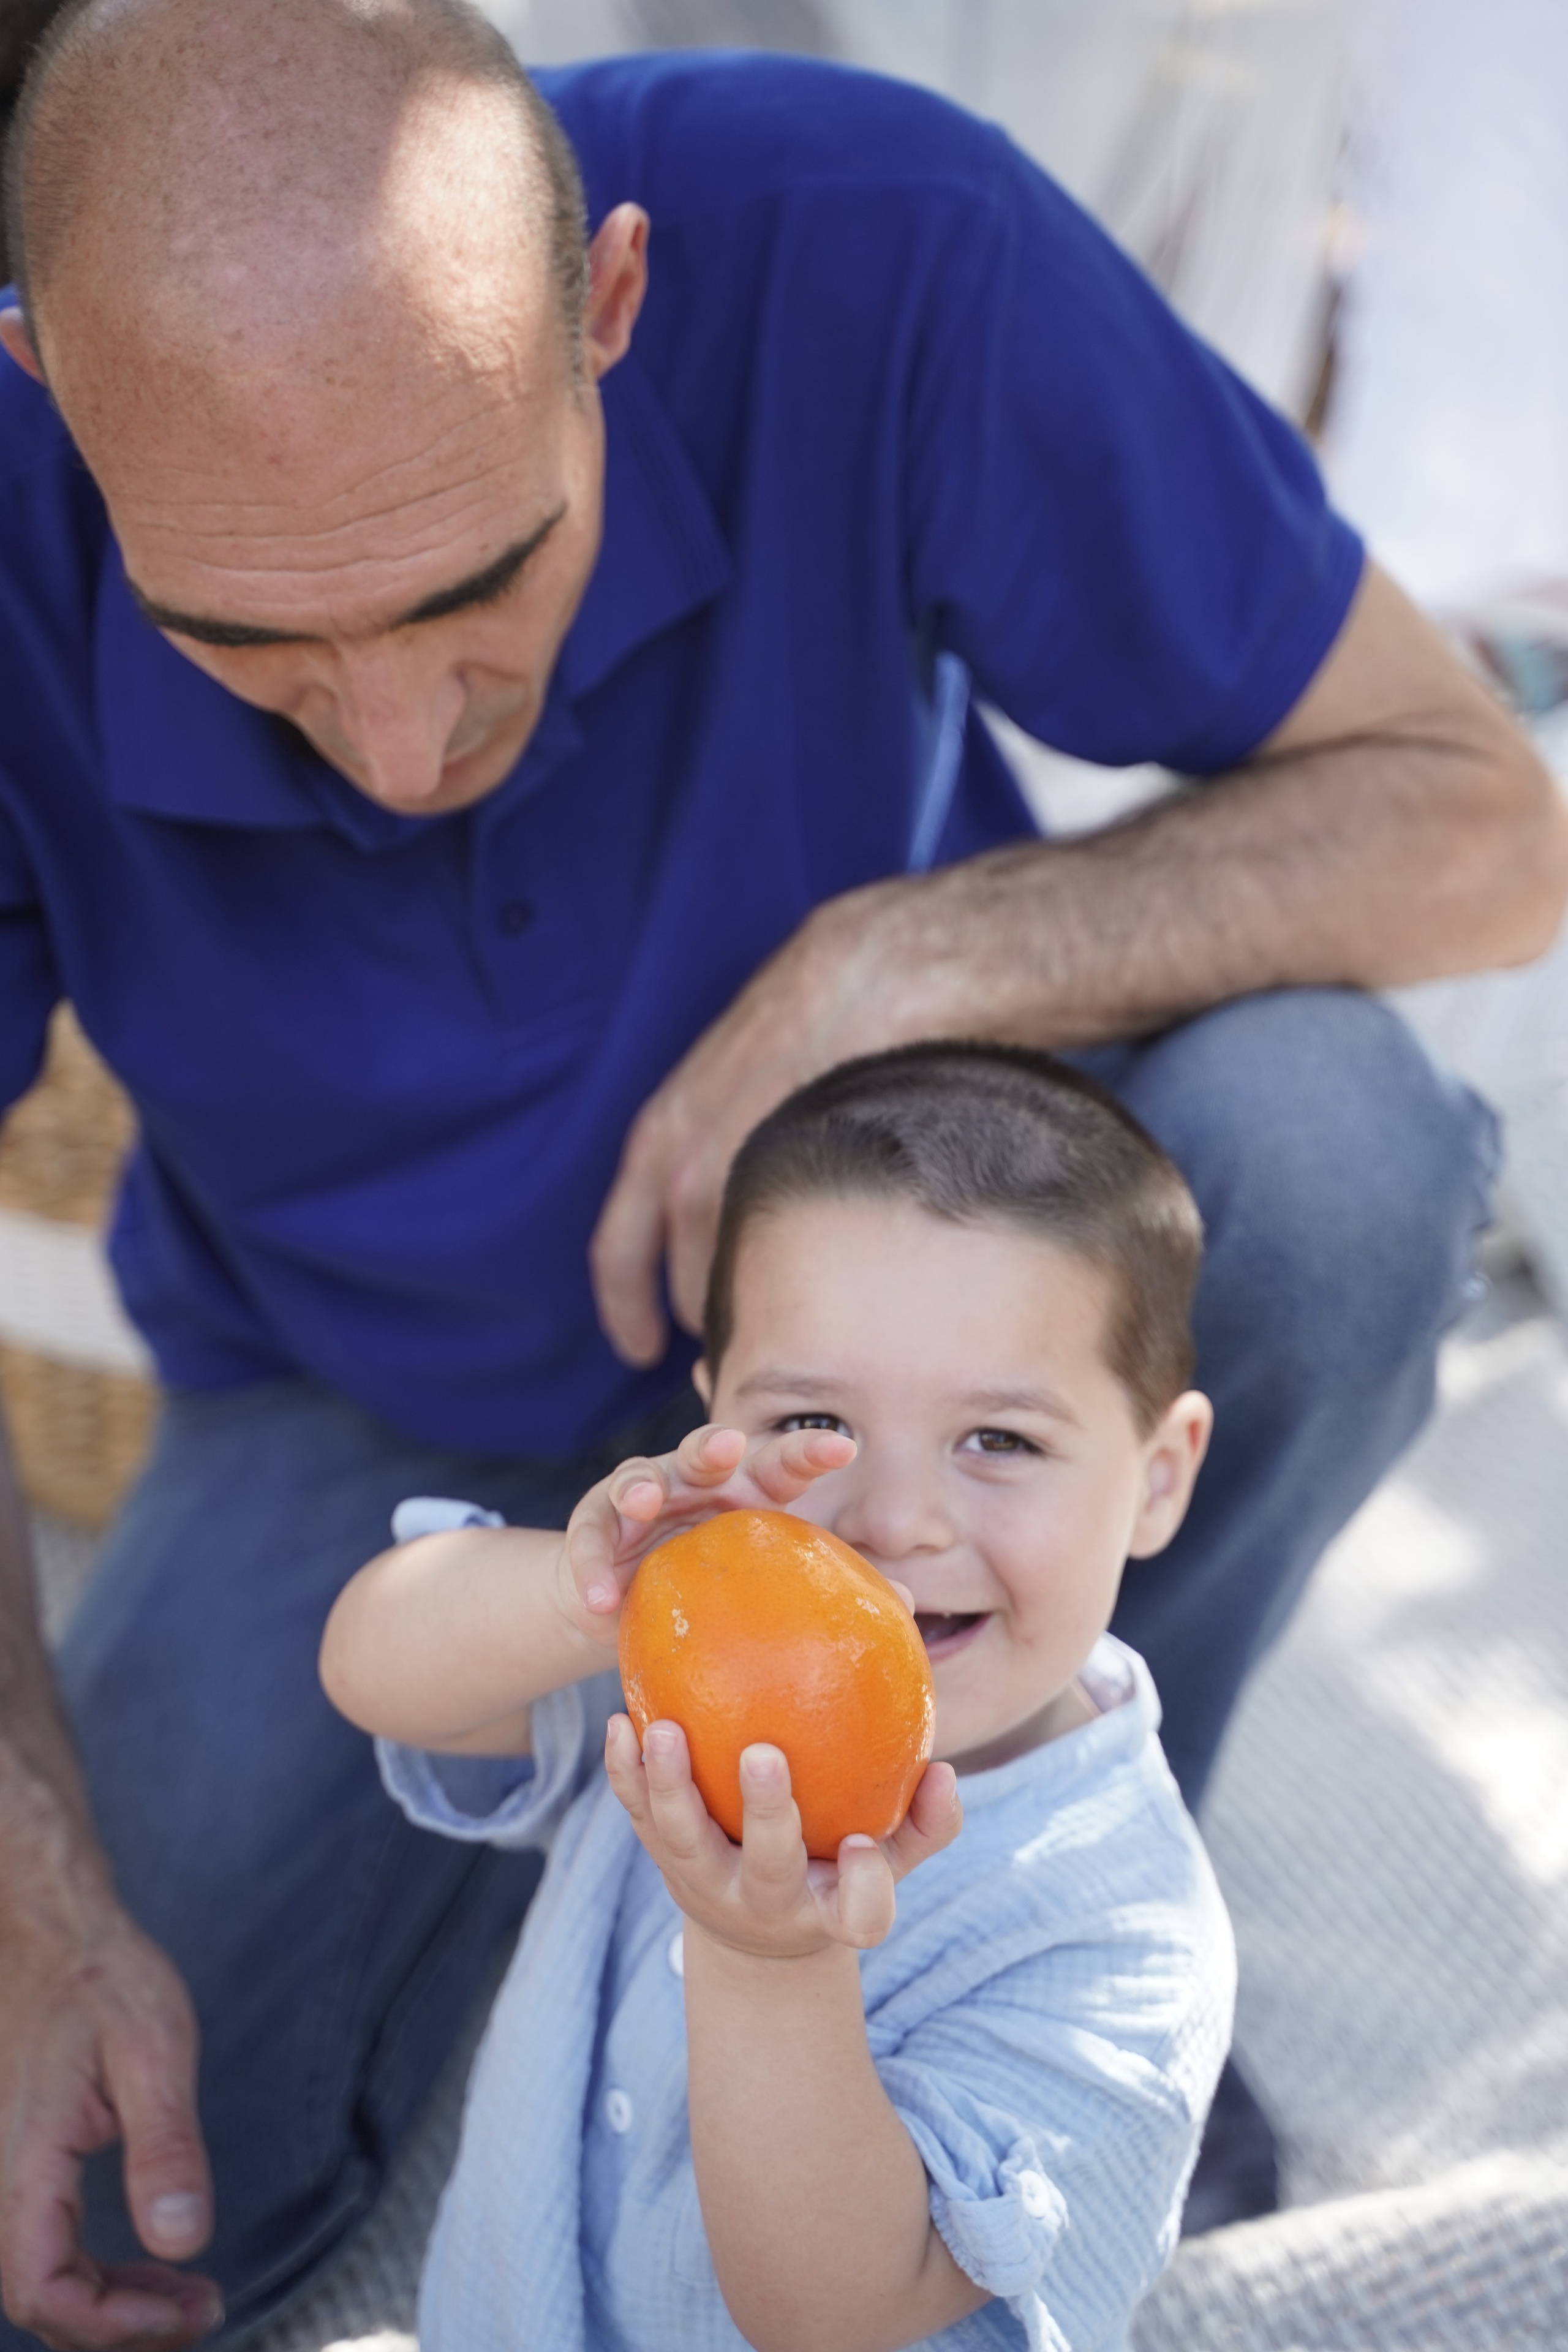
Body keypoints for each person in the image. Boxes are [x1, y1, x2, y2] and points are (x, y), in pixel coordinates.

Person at [0, 0, 1564, 2344]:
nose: (406, 747)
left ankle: (1051, 1867)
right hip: (350, 1393)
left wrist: (897, 964)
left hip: (908, 1319)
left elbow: (1479, 822)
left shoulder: (876, 239)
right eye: (253, 641)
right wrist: (33, 1887)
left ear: (612, 307)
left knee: (1333, 1152)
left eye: (470, 585)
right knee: (96, 2222)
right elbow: (386, 1644)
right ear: (39, 381)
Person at [319, 1043, 1236, 2352]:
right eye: (814, 1418)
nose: (893, 1521)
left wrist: (771, 1962)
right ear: (714, 1416)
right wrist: (595, 1593)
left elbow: (843, 2311)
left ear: (1155, 1477)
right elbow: (376, 1670)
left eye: (1000, 1440)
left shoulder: (1120, 1939)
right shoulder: (689, 1666)